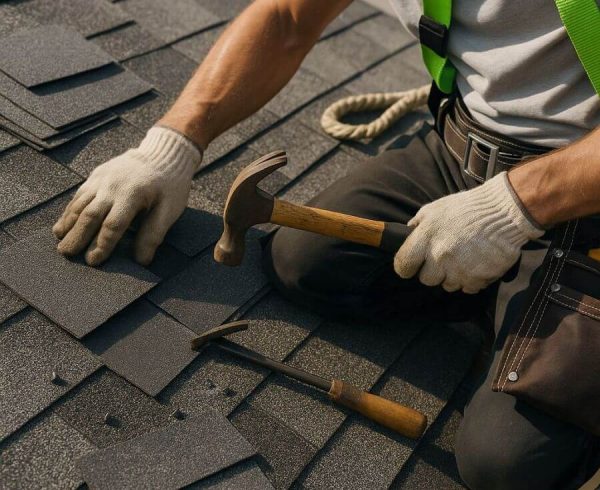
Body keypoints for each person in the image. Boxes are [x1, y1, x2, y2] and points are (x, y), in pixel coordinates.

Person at [52, 1, 600, 488]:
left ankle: (533, 325)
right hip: (461, 154)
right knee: (306, 262)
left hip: (584, 199)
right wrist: (172, 144)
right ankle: (503, 300)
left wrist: (513, 206)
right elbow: (288, 17)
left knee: (507, 466)